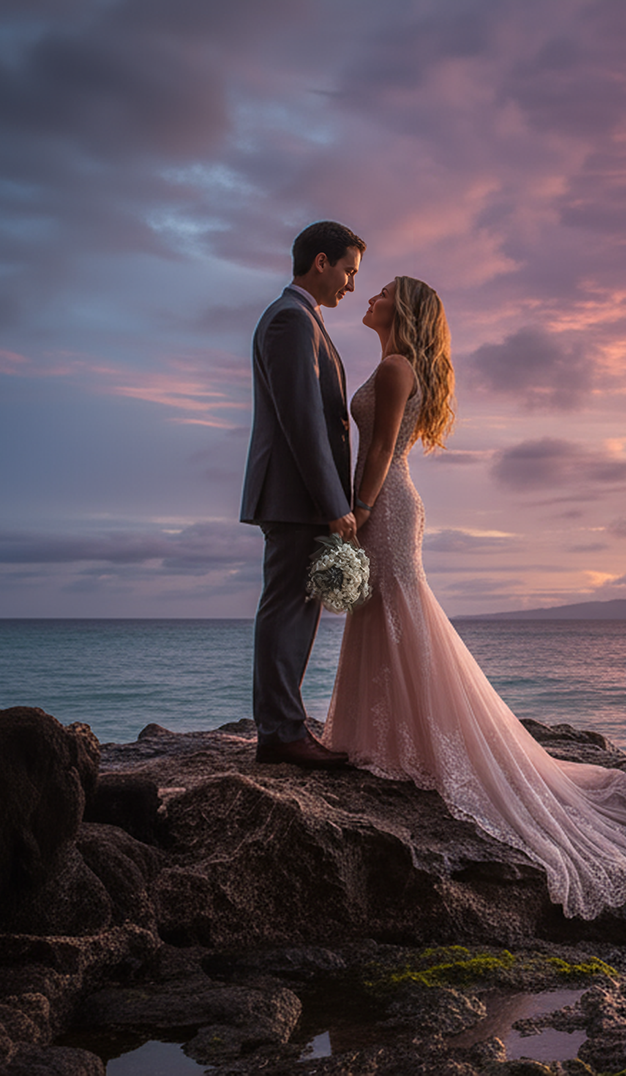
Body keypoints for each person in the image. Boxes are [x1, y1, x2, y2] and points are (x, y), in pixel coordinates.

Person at [324, 277, 626, 918]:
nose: (369, 295)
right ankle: (393, 738)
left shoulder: (396, 366)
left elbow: (379, 452)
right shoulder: (390, 363)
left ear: (406, 310)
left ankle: (423, 743)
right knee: (383, 615)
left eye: (384, 291)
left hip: (387, 506)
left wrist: (356, 510)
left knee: (400, 614)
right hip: (386, 504)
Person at [239, 221, 365, 769]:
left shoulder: (301, 318)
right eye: (348, 271)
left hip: (299, 496)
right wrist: (333, 502)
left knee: (299, 607)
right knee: (287, 607)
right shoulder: (291, 320)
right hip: (296, 496)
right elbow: (303, 420)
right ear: (320, 261)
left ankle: (284, 727)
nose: (351, 285)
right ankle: (280, 735)